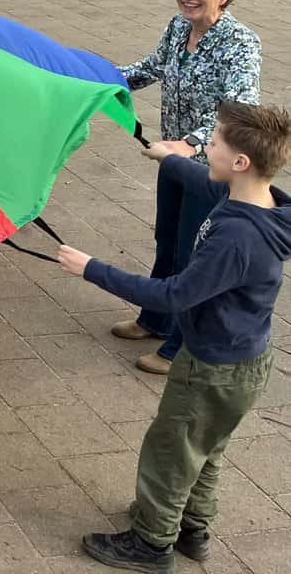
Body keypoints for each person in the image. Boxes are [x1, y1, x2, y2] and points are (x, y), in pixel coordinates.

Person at [57, 101, 291, 573]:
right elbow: (202, 179)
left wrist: (92, 269)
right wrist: (169, 157)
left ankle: (151, 542)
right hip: (240, 360)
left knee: (171, 449)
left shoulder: (238, 239)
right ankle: (191, 528)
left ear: (241, 162)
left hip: (212, 366)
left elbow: (173, 295)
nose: (208, 147)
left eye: (216, 143)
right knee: (206, 446)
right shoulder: (256, 201)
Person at [111, 0, 261, 375]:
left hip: (212, 168)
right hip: (175, 159)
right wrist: (99, 77)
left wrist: (189, 144)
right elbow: (151, 67)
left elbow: (240, 108)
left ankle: (181, 346)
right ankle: (155, 318)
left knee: (193, 255)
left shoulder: (241, 43)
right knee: (167, 240)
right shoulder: (178, 28)